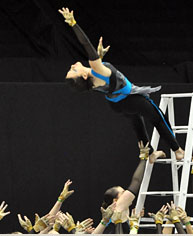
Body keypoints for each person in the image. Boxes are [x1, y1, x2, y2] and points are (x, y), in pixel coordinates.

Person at [58, 7, 184, 162]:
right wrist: (73, 23)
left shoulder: (90, 81)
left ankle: (148, 152)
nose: (72, 66)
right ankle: (177, 150)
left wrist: (100, 56)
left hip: (117, 104)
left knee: (136, 120)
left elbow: (106, 79)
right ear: (83, 75)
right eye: (73, 70)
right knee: (157, 117)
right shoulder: (96, 68)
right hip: (129, 97)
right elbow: (85, 43)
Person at [96, 141, 166, 234]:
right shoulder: (117, 208)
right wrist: (143, 157)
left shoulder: (120, 212)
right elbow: (136, 182)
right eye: (123, 192)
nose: (127, 193)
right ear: (115, 201)